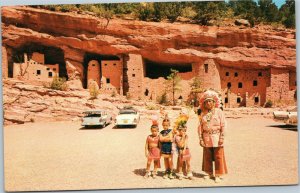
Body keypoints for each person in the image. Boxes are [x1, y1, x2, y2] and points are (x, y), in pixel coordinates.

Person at [198, 90, 228, 183]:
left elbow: (223, 125)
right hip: (206, 137)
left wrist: (222, 137)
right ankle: (209, 172)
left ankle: (218, 174)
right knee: (207, 156)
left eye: (210, 101)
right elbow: (200, 126)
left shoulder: (219, 112)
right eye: (206, 101)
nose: (208, 103)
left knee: (218, 156)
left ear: (214, 102)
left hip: (217, 136)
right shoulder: (202, 113)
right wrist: (200, 138)